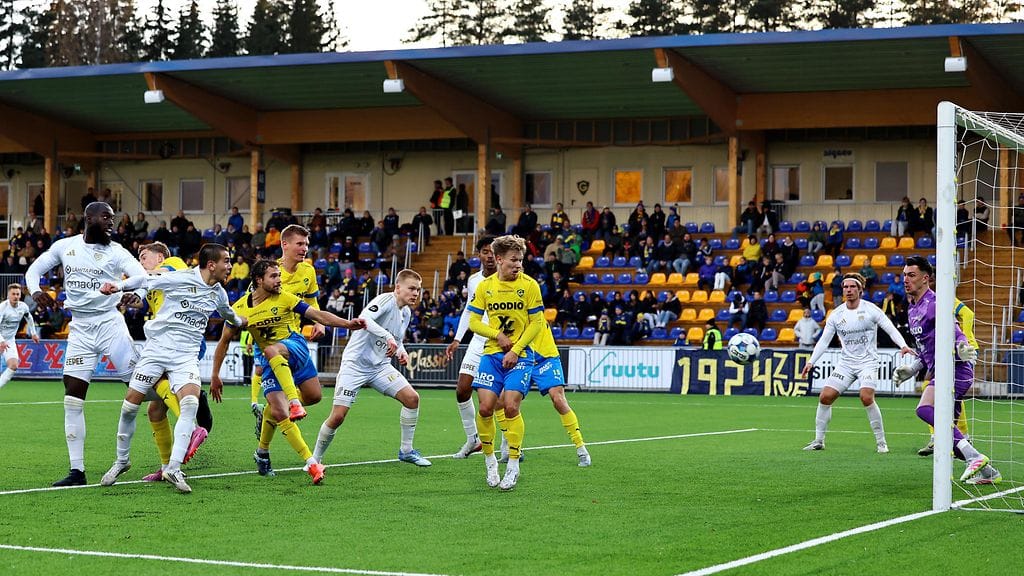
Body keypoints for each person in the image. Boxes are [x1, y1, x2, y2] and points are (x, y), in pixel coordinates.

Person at [96, 244, 242, 493]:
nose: (230, 266)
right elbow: (145, 279)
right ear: (211, 265)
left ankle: (173, 468)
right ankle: (122, 461)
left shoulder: (218, 292)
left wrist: (240, 321)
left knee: (190, 404)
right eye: (226, 261)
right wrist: (118, 286)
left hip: (186, 356)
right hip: (157, 350)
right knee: (130, 406)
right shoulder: (181, 277)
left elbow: (228, 313)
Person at [25, 201, 149, 487]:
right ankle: (76, 471)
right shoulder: (65, 246)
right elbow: (33, 270)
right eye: (106, 217)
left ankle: (186, 395)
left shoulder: (117, 251)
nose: (111, 223)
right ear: (88, 218)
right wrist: (35, 291)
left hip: (109, 324)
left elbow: (141, 276)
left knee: (141, 389)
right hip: (80, 328)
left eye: (113, 218)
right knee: (72, 397)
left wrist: (139, 295)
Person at [211, 259, 365, 483]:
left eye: (279, 275)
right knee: (279, 410)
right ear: (259, 280)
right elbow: (224, 342)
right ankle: (299, 460)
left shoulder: (285, 297)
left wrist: (347, 324)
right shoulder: (240, 309)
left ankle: (288, 405)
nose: (279, 280)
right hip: (271, 359)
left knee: (314, 396)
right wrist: (215, 375)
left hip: (295, 348)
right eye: (273, 276)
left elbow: (317, 315)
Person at [467, 235, 589, 491]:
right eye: (514, 260)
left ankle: (574, 448)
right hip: (496, 352)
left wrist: (516, 349)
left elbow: (537, 322)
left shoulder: (530, 286)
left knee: (547, 400)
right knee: (488, 406)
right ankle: (493, 458)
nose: (519, 265)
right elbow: (474, 321)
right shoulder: (485, 287)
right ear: (499, 260)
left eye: (521, 260)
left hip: (531, 352)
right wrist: (498, 336)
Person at [892, 256, 1000, 484]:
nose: (906, 280)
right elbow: (926, 349)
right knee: (949, 436)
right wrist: (912, 369)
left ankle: (974, 457)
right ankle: (990, 473)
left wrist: (962, 347)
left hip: (956, 369)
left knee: (924, 409)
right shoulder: (913, 309)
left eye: (911, 275)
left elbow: (957, 332)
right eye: (904, 275)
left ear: (925, 278)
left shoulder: (935, 303)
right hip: (941, 371)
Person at [311, 269, 431, 469]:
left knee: (412, 399)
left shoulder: (406, 312)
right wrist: (388, 337)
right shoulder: (385, 300)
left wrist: (401, 351)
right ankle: (314, 460)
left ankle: (406, 451)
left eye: (418, 290)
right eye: (412, 288)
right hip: (355, 365)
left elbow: (398, 339)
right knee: (338, 416)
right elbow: (364, 319)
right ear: (398, 288)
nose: (415, 293)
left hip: (380, 367)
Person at [800, 272, 913, 453]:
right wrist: (811, 361)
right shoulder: (836, 314)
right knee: (825, 397)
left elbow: (890, 328)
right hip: (846, 363)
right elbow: (824, 341)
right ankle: (818, 440)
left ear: (860, 290)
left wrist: (903, 345)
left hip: (867, 362)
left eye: (852, 286)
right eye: (845, 287)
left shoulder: (871, 309)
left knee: (866, 397)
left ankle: (881, 442)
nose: (848, 290)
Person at [132, 241, 213, 482]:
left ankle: (193, 429)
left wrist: (129, 275)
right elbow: (140, 300)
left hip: (185, 339)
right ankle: (167, 467)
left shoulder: (172, 263)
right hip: (165, 341)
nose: (140, 261)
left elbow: (162, 273)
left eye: (144, 256)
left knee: (155, 378)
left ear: (159, 257)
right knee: (155, 410)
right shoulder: (153, 283)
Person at [249, 225, 326, 429]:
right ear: (285, 244)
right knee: (279, 406)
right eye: (299, 244)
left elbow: (311, 301)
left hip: (294, 338)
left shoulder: (308, 271)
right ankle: (265, 443)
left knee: (314, 396)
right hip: (270, 338)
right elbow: (251, 306)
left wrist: (318, 321)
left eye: (306, 244)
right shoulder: (270, 272)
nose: (305, 248)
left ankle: (271, 409)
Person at [444, 236, 497, 459]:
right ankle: (473, 439)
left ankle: (510, 444)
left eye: (493, 251)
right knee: (462, 389)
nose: (490, 256)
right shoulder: (474, 280)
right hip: (477, 341)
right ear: (479, 255)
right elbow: (469, 310)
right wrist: (457, 339)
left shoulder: (508, 278)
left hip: (499, 342)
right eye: (485, 251)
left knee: (500, 398)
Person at [915, 297, 976, 457]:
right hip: (944, 350)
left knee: (948, 395)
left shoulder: (941, 297)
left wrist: (965, 339)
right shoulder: (917, 307)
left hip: (962, 350)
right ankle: (947, 438)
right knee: (934, 389)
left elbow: (968, 314)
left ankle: (961, 437)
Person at [0, 284, 40, 392]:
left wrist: (33, 333)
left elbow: (29, 317)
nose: (15, 296)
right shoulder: (2, 308)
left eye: (17, 294)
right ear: (8, 295)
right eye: (13, 294)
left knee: (13, 365)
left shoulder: (23, 307)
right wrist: (1, 341)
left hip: (9, 340)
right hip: (1, 339)